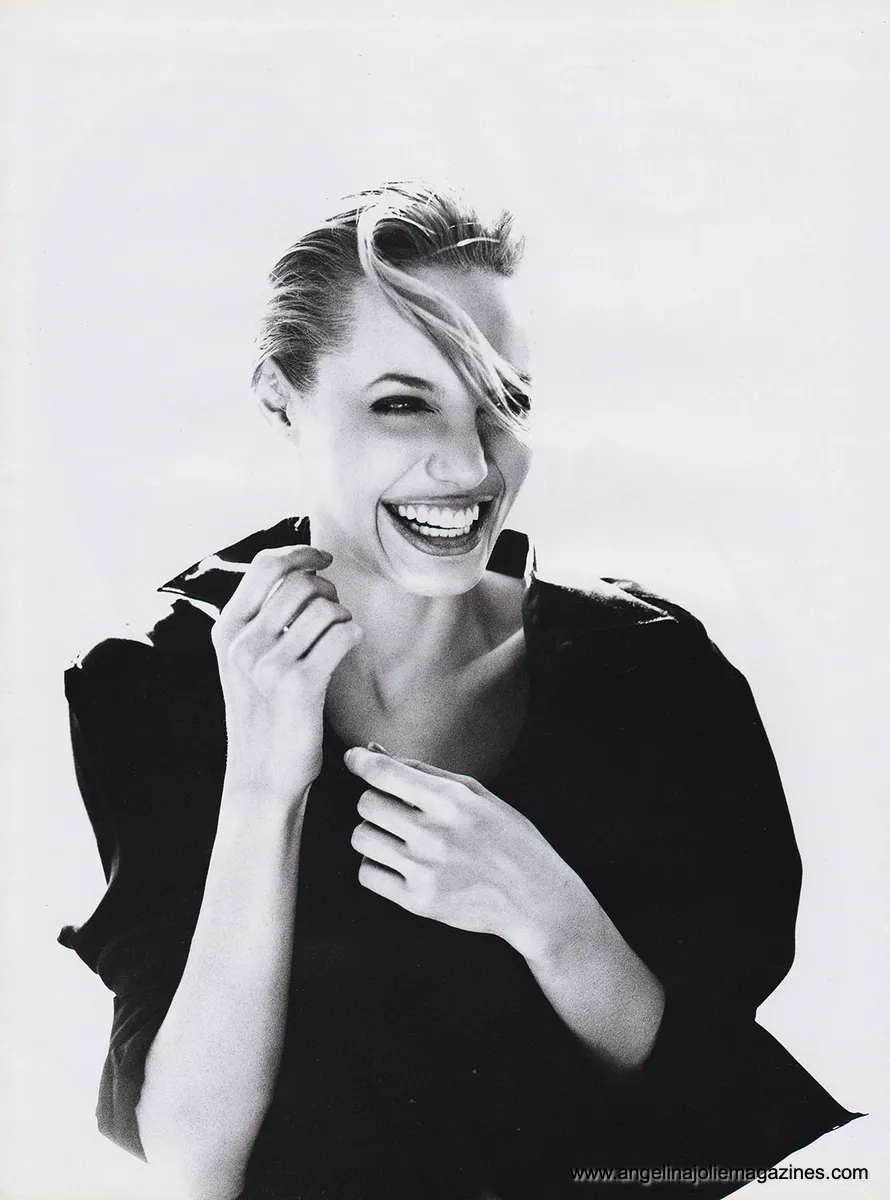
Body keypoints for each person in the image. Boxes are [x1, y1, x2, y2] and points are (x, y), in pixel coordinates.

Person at [59, 183, 857, 1200]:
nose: (471, 462)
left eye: (502, 402)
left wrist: (551, 916)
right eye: (402, 403)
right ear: (279, 397)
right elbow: (193, 1161)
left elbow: (722, 1120)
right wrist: (263, 785)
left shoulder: (653, 673)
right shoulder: (156, 689)